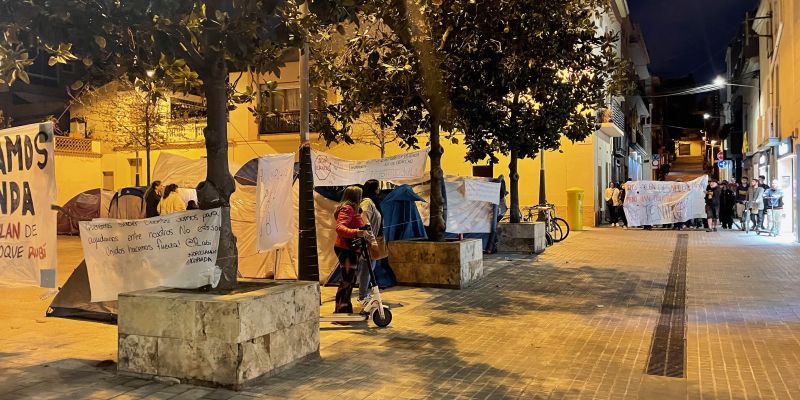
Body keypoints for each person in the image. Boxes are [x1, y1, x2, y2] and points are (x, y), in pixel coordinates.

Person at [333, 186, 370, 314]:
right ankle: (341, 311)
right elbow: (340, 228)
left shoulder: (354, 210)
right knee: (347, 280)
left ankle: (345, 308)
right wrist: (357, 232)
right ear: (356, 197)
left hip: (351, 249)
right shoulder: (347, 209)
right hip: (346, 249)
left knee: (350, 280)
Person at [358, 182, 383, 308]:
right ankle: (362, 296)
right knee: (366, 269)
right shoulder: (367, 202)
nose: (379, 190)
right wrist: (371, 240)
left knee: (369, 268)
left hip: (372, 240)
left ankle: (364, 294)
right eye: (378, 187)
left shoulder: (372, 202)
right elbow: (365, 221)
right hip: (368, 241)